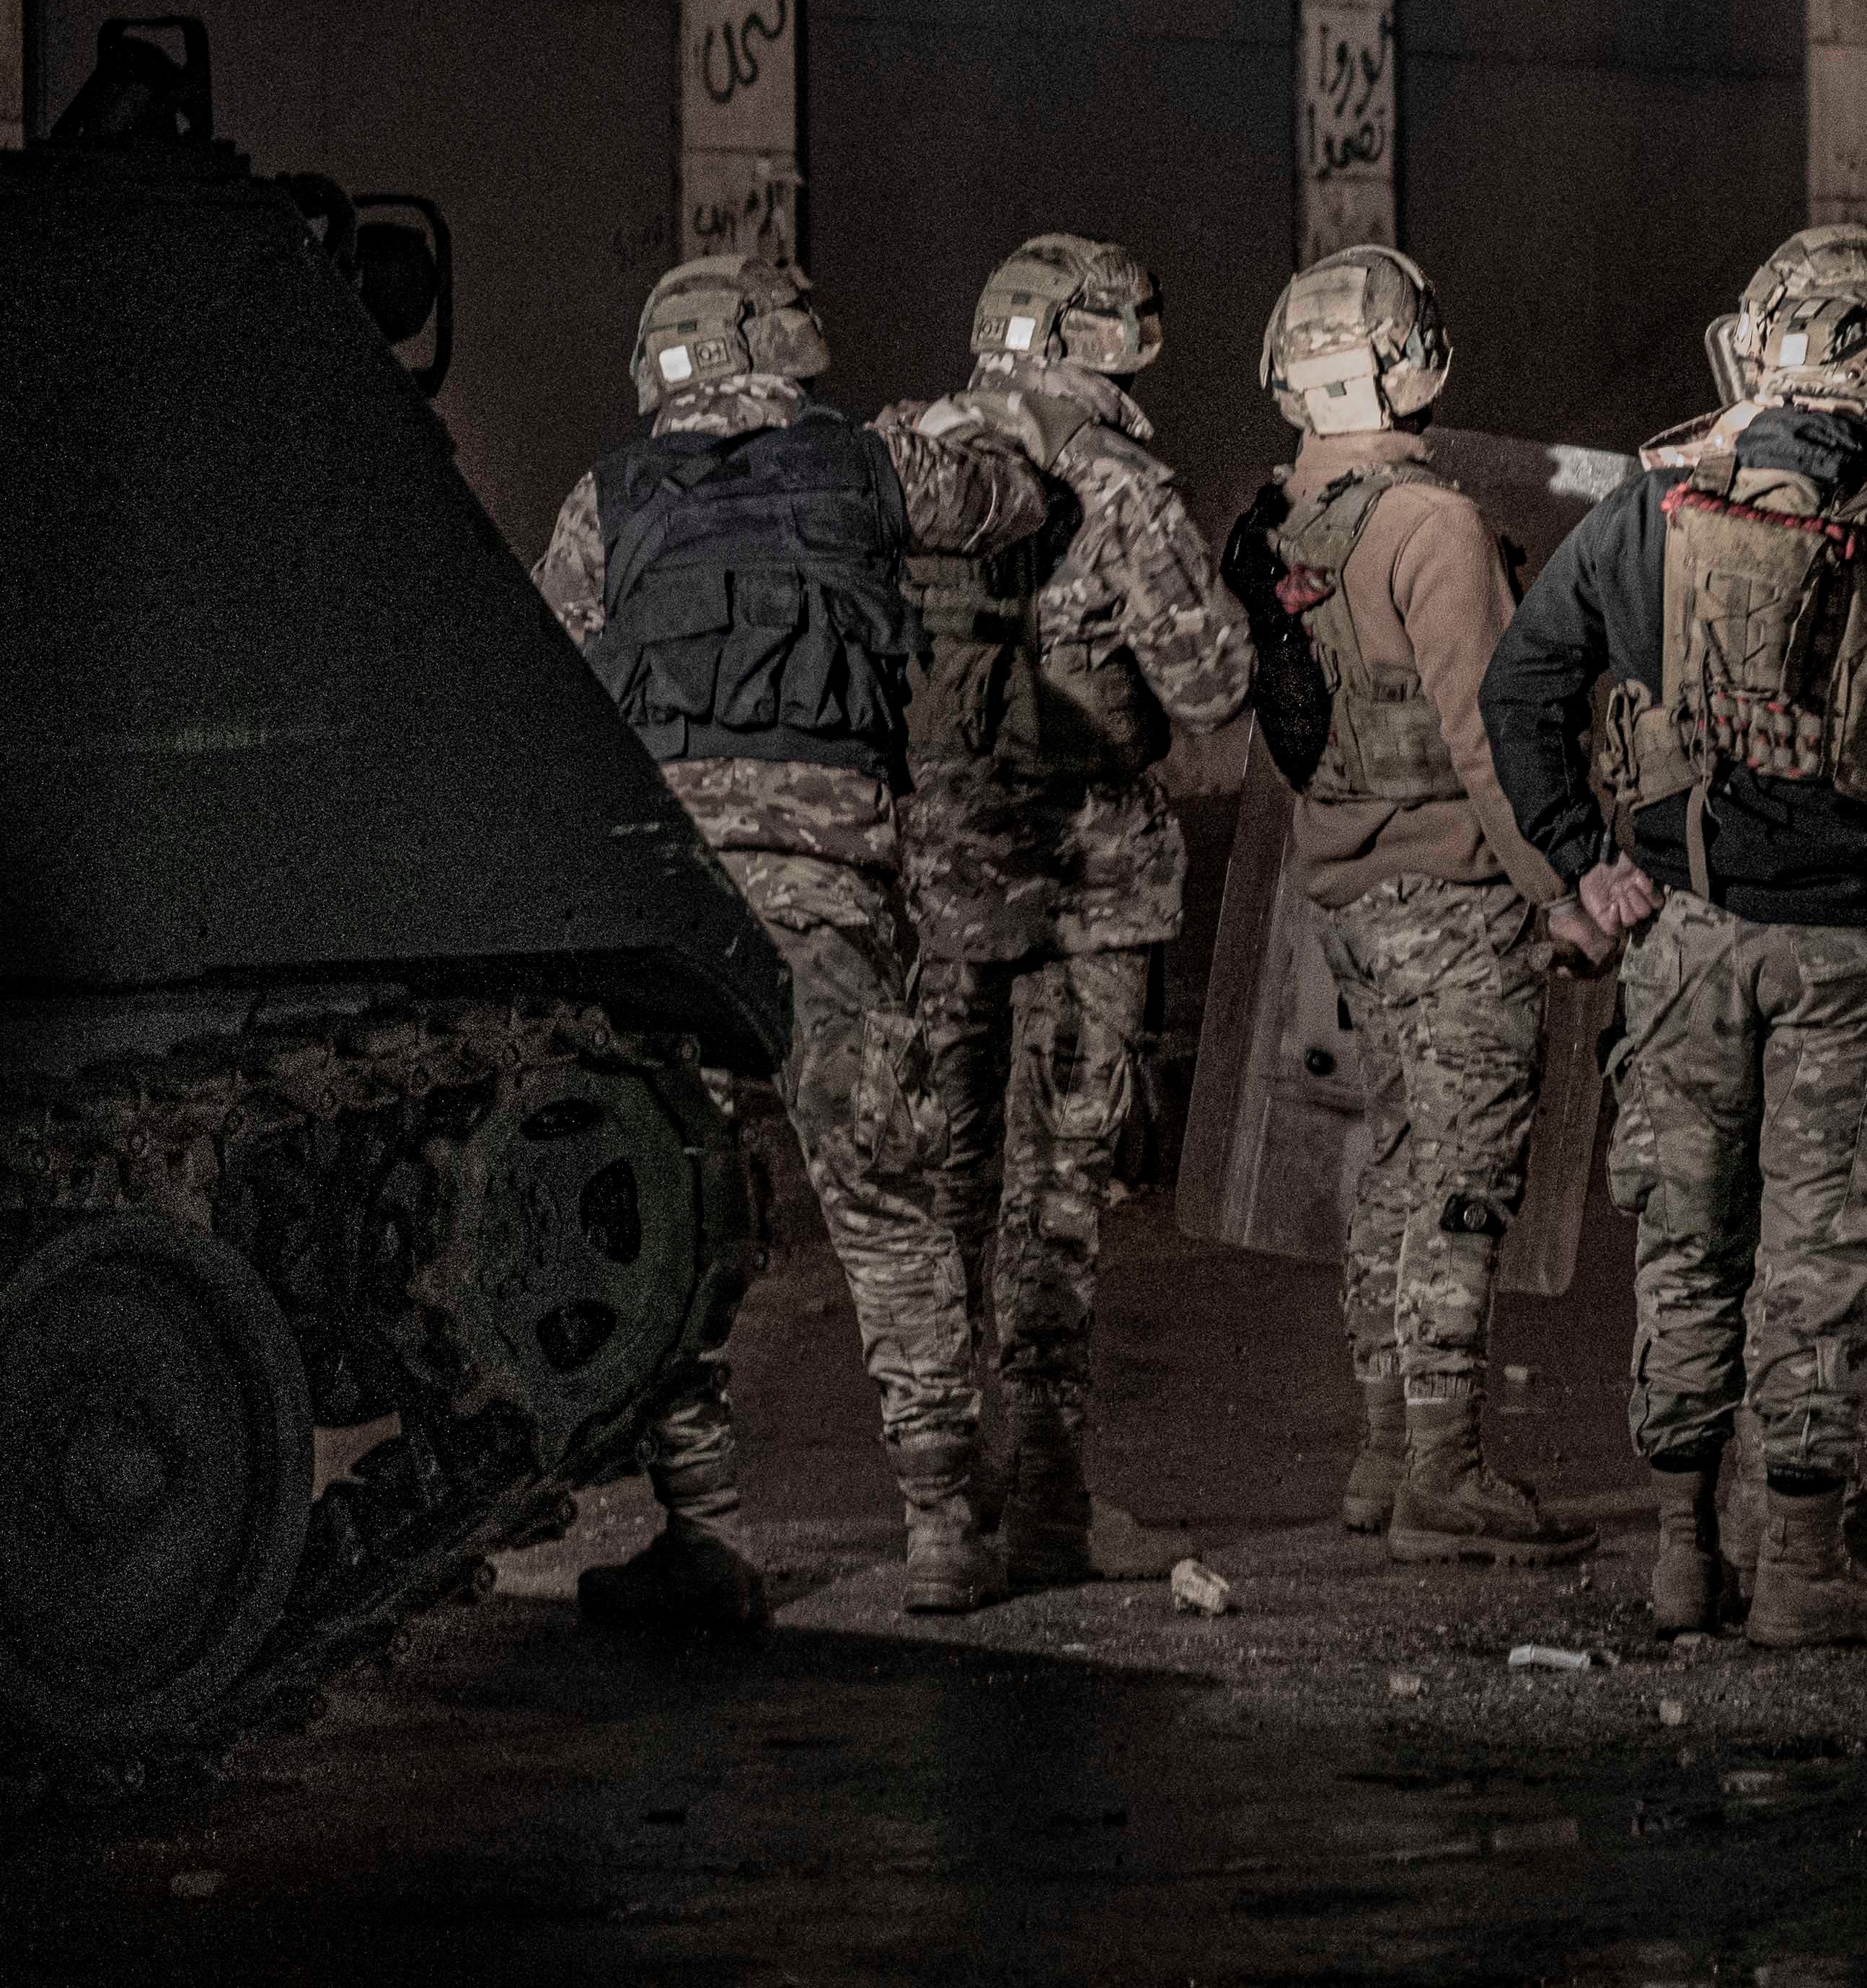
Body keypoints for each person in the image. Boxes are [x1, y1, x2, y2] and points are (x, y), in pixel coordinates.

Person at [1479, 225, 1867, 1647]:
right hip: (1847, 948)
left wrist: (1585, 860)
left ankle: (1683, 1551)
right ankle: (1798, 1555)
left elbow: (1524, 682)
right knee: (1817, 1254)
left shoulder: (1647, 503)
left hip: (1679, 938)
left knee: (1685, 1242)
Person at [533, 253, 1052, 1623]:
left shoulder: (607, 501)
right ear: (784, 349)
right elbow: (1014, 505)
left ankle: (702, 1532)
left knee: (666, 1220)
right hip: (828, 902)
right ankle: (945, 1526)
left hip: (673, 923)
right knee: (886, 1211)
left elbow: (550, 674)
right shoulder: (868, 469)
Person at [877, 234, 1251, 1590]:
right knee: (1057, 1198)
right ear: (1097, 342)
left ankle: (939, 1516)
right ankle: (1046, 1501)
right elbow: (1208, 686)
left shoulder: (904, 460)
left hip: (926, 880)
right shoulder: (1113, 480)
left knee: (937, 1188)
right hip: (1087, 882)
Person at [1230, 245, 1606, 1568]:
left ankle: (1384, 1449)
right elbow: (1487, 732)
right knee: (1462, 1177)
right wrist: (1566, 886)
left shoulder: (1285, 522)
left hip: (1347, 895)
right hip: (1451, 896)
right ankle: (1445, 1469)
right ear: (1413, 362)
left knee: (1389, 1160)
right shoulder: (1431, 527)